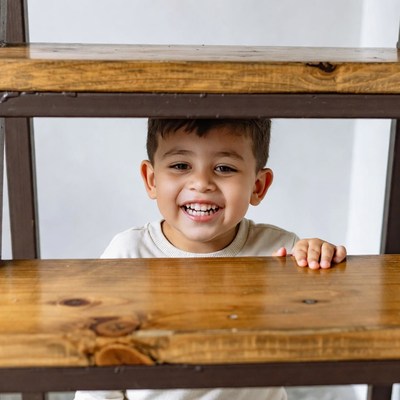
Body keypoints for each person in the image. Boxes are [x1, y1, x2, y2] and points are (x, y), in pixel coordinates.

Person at [75, 118, 347, 400]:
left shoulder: (280, 250)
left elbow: (320, 326)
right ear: (152, 179)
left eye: (224, 168)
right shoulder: (127, 253)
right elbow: (98, 370)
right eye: (181, 166)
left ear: (258, 186)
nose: (202, 183)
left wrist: (320, 263)